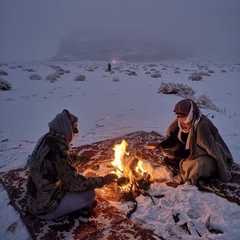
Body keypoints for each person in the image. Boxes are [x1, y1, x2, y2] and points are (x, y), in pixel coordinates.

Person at [26, 109, 118, 221]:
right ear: (65, 128)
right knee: (89, 195)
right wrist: (102, 181)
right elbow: (74, 183)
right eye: (74, 128)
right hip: (44, 207)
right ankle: (59, 212)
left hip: (34, 197)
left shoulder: (46, 138)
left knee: (74, 179)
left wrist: (82, 160)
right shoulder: (58, 150)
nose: (76, 131)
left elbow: (59, 163)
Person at [146, 99, 233, 186]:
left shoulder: (202, 125)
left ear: (190, 113)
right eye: (178, 115)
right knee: (169, 150)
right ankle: (181, 162)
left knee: (199, 164)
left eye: (182, 115)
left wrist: (175, 154)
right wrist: (160, 145)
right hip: (188, 151)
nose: (179, 118)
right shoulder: (181, 122)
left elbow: (201, 150)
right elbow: (174, 138)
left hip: (205, 156)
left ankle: (183, 170)